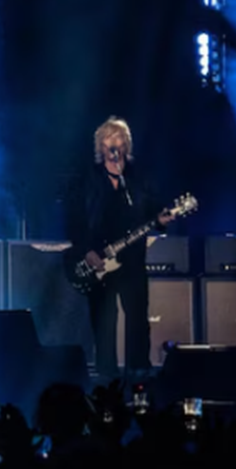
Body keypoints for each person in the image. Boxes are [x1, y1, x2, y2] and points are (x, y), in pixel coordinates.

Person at [67, 116, 173, 379]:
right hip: (99, 260)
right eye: (108, 140)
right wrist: (86, 251)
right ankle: (106, 377)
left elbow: (154, 210)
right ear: (100, 146)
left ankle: (139, 374)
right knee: (104, 322)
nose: (113, 145)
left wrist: (162, 219)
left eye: (118, 140)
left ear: (126, 145)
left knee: (138, 319)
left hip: (133, 260)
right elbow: (75, 220)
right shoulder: (88, 180)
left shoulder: (138, 178)